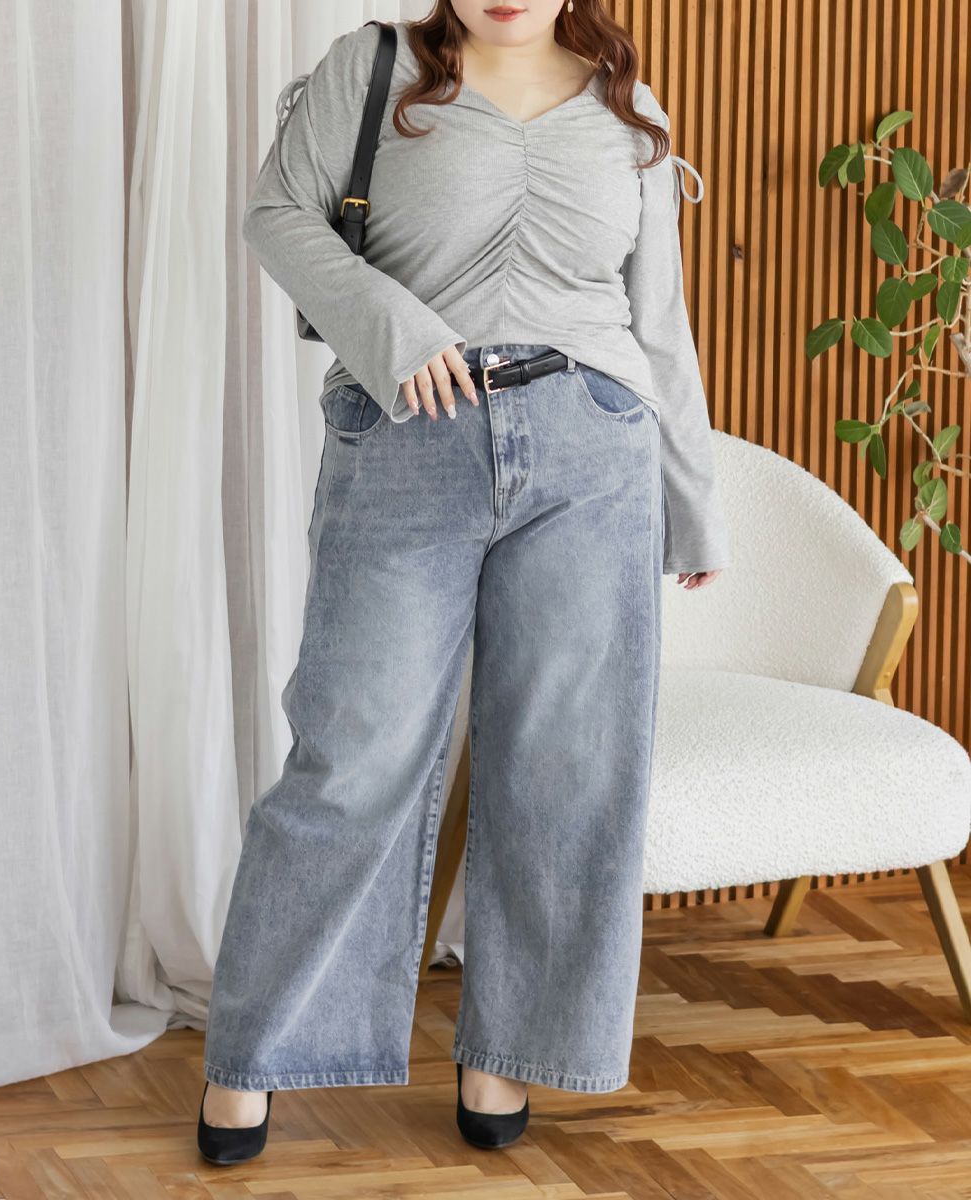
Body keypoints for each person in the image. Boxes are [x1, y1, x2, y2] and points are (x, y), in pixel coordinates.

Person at [197, 0, 730, 1166]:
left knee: (568, 770)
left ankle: (506, 1053)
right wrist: (393, 329)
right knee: (350, 758)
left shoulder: (626, 106)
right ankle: (256, 1053)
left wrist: (691, 500)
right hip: (405, 441)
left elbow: (658, 321)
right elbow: (277, 213)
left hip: (593, 456)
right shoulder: (373, 67)